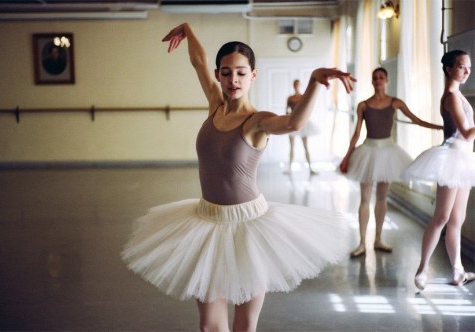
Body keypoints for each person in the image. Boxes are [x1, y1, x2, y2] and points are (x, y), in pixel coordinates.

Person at [122, 22, 356, 332]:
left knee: (244, 326)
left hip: (250, 228)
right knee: (209, 326)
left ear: (253, 76)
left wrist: (314, 81)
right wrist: (191, 32)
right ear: (219, 75)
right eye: (226, 72)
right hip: (205, 222)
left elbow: (294, 123)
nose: (233, 79)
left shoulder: (257, 121)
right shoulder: (215, 105)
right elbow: (198, 61)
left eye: (241, 72)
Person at [339, 67, 443, 258]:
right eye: (375, 78)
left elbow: (416, 120)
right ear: (372, 81)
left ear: (387, 80)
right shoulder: (363, 105)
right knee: (364, 199)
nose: (378, 80)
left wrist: (441, 127)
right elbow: (356, 134)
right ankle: (362, 242)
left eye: (381, 77)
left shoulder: (395, 102)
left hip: (388, 153)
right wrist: (346, 158)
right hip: (368, 152)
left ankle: (378, 239)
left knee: (381, 198)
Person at [403, 50, 475, 290]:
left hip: (464, 159)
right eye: (462, 66)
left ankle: (458, 271)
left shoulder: (459, 95)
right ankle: (422, 269)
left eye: (469, 67)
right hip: (452, 157)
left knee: (457, 219)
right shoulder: (451, 96)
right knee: (442, 217)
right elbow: (465, 133)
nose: (467, 71)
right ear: (449, 69)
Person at [284, 79, 321, 175]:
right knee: (291, 146)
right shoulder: (290, 98)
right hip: (292, 122)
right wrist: (289, 118)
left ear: (299, 85)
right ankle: (289, 169)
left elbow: (306, 110)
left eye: (297, 84)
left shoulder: (302, 97)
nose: (296, 86)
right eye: (295, 84)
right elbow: (286, 111)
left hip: (302, 123)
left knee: (306, 146)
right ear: (293, 85)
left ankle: (311, 168)